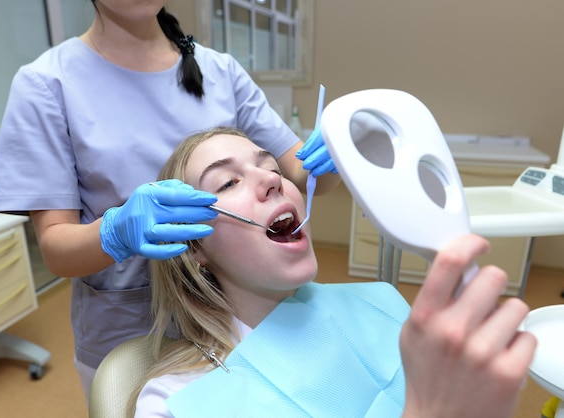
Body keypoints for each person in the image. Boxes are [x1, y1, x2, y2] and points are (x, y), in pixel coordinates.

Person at [0, 1, 340, 401]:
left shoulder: (220, 71)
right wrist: (114, 233)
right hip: (129, 332)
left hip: (240, 319)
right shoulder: (46, 84)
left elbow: (299, 174)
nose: (266, 182)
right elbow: (55, 249)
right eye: (226, 183)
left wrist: (331, 159)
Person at [134, 127, 537, 418]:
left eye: (271, 166)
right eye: (228, 182)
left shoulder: (381, 300)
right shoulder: (175, 402)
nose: (272, 180)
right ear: (195, 247)